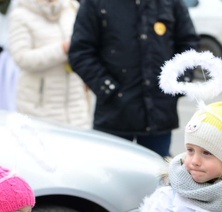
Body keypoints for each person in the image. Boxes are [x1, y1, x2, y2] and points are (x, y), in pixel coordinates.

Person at [68, 0, 199, 156]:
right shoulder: (96, 3)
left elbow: (189, 44)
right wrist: (108, 89)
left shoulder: (170, 3)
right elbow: (80, 52)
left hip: (159, 116)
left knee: (158, 176)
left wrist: (177, 84)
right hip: (114, 117)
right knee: (113, 176)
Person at [8, 0, 90, 127]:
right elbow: (21, 58)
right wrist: (62, 49)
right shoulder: (21, 14)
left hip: (76, 106)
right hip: (40, 107)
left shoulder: (72, 7)